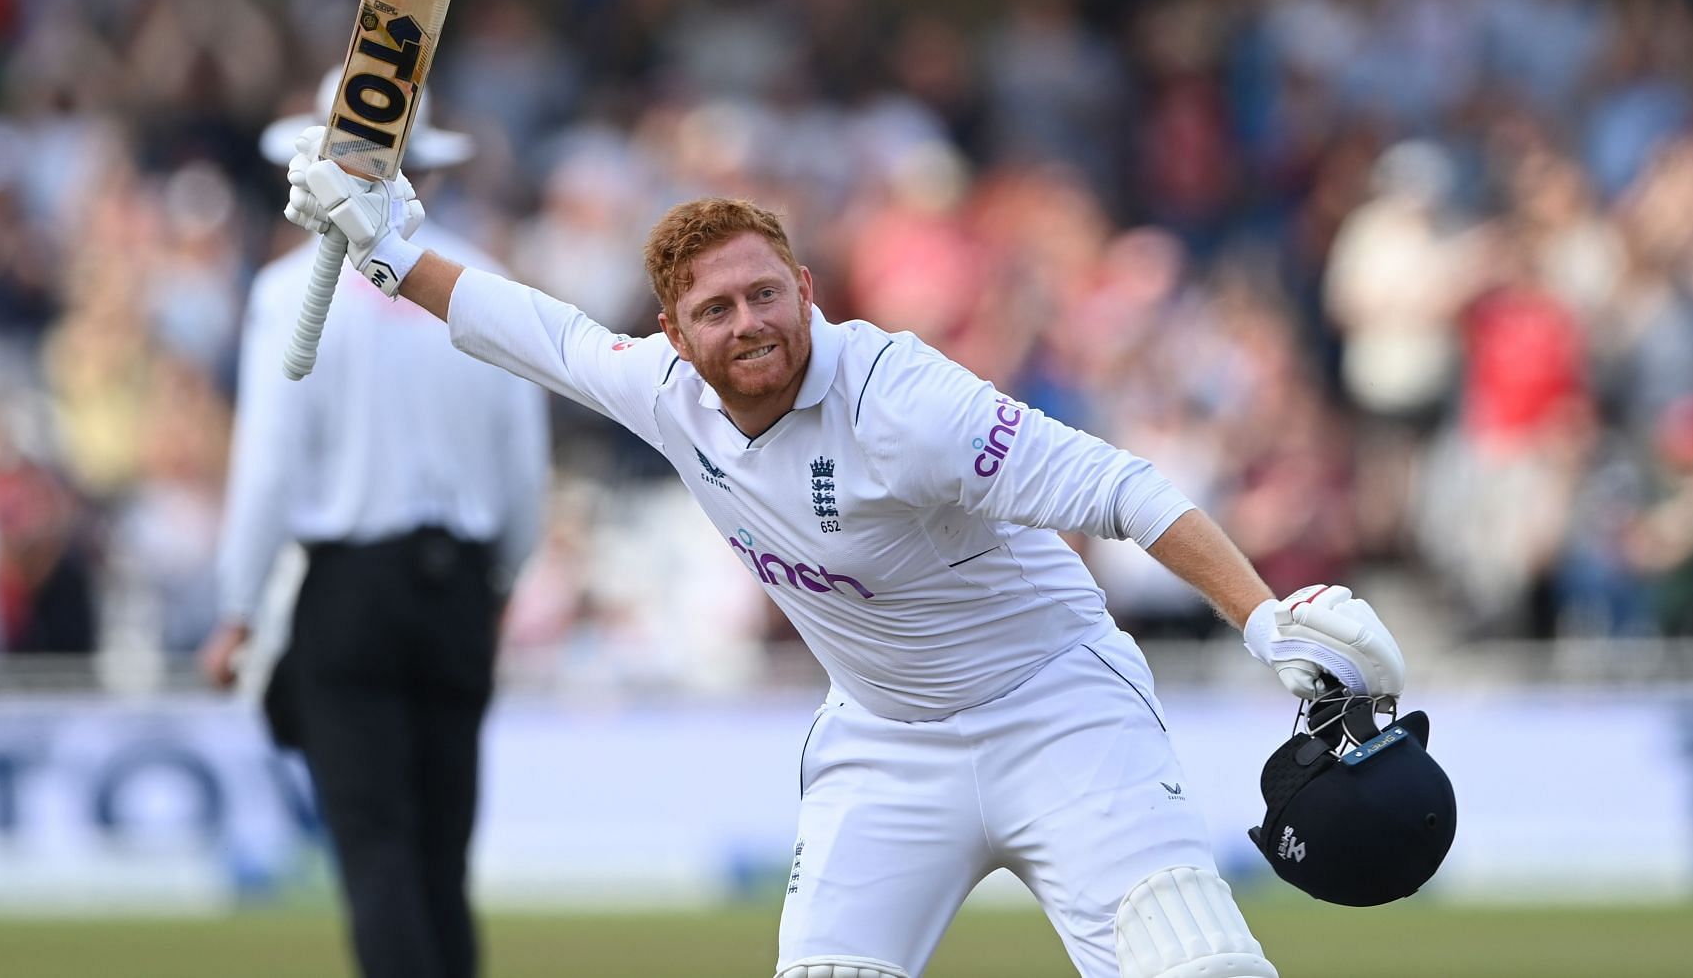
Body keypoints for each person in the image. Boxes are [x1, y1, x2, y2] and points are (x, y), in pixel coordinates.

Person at [282, 132, 1407, 978]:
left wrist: (1267, 620)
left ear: (806, 292)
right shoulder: (664, 393)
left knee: (1198, 967)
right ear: (675, 336)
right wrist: (386, 243)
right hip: (885, 745)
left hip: (1060, 710)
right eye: (716, 310)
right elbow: (532, 329)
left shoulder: (904, 400)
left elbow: (1122, 487)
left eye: (767, 293)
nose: (750, 323)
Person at [200, 77, 550, 978]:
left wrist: (237, 607)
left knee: (378, 852)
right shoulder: (484, 281)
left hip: (350, 591)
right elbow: (524, 467)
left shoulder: (288, 293)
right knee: (440, 855)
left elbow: (267, 468)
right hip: (459, 586)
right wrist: (501, 583)